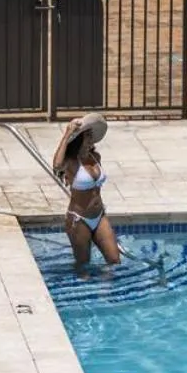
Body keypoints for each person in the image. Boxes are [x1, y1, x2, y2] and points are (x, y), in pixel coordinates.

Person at [53, 115, 121, 275]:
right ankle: (84, 296)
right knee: (84, 265)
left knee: (114, 260)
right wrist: (67, 135)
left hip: (99, 216)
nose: (92, 139)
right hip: (79, 219)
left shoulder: (95, 157)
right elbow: (57, 165)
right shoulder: (71, 162)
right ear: (79, 140)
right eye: (88, 136)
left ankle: (107, 294)